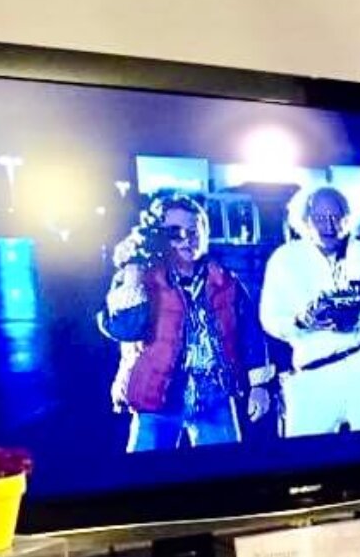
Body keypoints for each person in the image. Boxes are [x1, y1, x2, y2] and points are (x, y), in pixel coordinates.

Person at [100, 194, 272, 452]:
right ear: (159, 236)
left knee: (225, 478)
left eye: (194, 230)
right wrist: (133, 268)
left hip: (215, 395)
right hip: (157, 395)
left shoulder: (224, 281)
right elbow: (126, 328)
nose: (187, 239)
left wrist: (259, 385)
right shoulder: (141, 277)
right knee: (145, 481)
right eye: (175, 232)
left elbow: (250, 334)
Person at [259, 185, 360, 437]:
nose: (328, 226)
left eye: (336, 217)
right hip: (312, 375)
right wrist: (301, 321)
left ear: (348, 218)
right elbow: (269, 319)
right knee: (306, 462)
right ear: (305, 220)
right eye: (319, 218)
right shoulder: (284, 260)